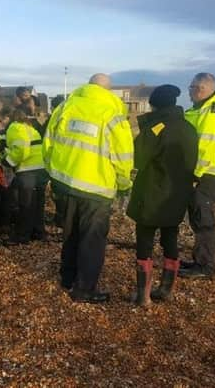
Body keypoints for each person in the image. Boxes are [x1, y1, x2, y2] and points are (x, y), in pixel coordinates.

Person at [43, 73, 134, 303]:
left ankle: (67, 276)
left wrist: (52, 173)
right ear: (107, 90)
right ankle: (84, 289)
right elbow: (123, 157)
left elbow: (48, 142)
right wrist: (124, 184)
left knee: (71, 232)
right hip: (97, 188)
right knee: (92, 240)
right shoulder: (113, 114)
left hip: (65, 182)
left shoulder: (67, 106)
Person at [126, 85, 198, 306]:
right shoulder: (188, 128)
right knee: (170, 239)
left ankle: (143, 296)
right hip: (178, 194)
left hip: (152, 194)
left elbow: (137, 158)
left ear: (154, 104)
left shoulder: (156, 128)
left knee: (145, 242)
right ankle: (166, 290)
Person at [180, 73, 215, 279]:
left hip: (206, 175)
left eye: (191, 87)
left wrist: (195, 175)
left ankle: (205, 265)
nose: (189, 91)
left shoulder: (212, 113)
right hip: (203, 174)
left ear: (201, 89)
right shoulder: (200, 110)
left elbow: (206, 149)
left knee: (203, 218)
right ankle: (199, 259)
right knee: (197, 215)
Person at [2, 108, 48, 244]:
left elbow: (21, 150)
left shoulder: (14, 128)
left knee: (25, 205)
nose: (1, 122)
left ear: (10, 118)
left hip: (28, 170)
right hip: (41, 169)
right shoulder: (30, 128)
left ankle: (22, 235)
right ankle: (38, 232)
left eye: (3, 118)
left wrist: (8, 161)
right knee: (38, 203)